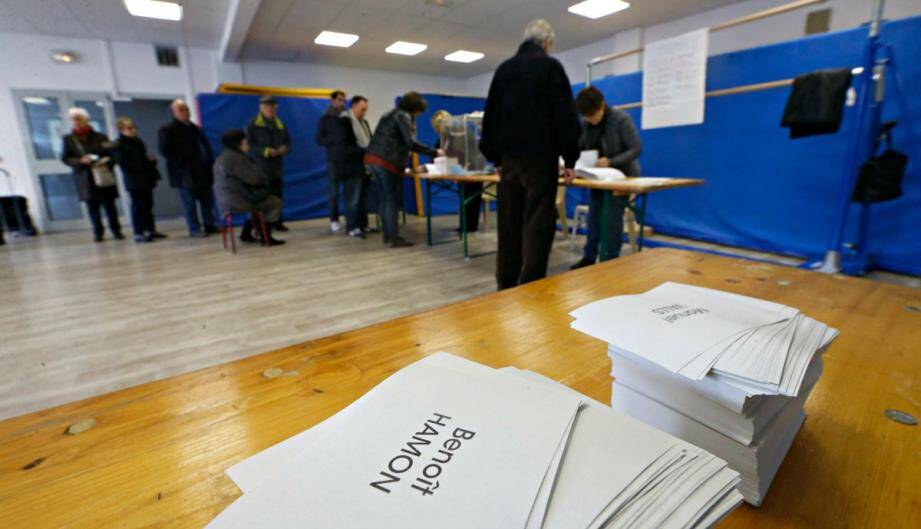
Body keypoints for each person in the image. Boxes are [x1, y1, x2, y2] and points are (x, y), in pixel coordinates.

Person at [480, 19, 581, 290]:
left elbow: (490, 119)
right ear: (548, 43)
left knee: (509, 224)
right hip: (541, 159)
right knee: (537, 224)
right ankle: (532, 286)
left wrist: (495, 158)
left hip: (510, 161)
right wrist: (570, 159)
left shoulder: (504, 70)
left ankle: (506, 283)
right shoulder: (551, 68)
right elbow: (565, 118)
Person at [570, 86, 642, 269]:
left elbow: (635, 148)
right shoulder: (586, 124)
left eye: (594, 114)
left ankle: (610, 260)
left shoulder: (620, 119)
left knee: (611, 219)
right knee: (594, 217)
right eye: (587, 116)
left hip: (621, 177)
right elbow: (580, 147)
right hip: (597, 178)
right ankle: (589, 256)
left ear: (603, 105)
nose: (591, 119)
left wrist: (610, 161)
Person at [365, 92, 442, 248]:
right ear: (415, 109)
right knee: (392, 200)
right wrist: (435, 152)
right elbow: (411, 143)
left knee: (384, 198)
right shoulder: (404, 116)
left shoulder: (389, 114)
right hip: (387, 162)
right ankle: (394, 238)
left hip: (372, 159)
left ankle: (387, 235)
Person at [61, 107, 124, 242]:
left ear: (86, 120)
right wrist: (80, 161)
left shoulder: (101, 137)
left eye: (78, 119)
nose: (75, 122)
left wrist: (106, 162)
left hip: (102, 175)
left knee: (110, 206)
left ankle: (116, 231)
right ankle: (98, 233)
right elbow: (66, 158)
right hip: (85, 177)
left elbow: (112, 156)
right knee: (92, 207)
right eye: (73, 120)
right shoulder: (69, 139)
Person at [213, 129, 284, 246]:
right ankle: (266, 236)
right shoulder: (236, 158)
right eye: (245, 142)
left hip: (225, 200)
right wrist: (263, 176)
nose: (248, 145)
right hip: (237, 200)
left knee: (259, 205)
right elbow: (253, 179)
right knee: (274, 202)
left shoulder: (222, 157)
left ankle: (246, 234)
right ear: (238, 144)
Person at [158, 99, 217, 238]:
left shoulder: (195, 128)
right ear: (173, 113)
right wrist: (183, 163)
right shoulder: (167, 130)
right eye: (181, 109)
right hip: (186, 173)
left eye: (186, 109)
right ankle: (194, 228)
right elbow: (165, 151)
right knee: (189, 202)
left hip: (203, 170)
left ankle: (210, 225)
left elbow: (205, 147)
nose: (185, 112)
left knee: (207, 201)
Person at [114, 117, 166, 243]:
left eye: (134, 127)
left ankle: (150, 230)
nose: (133, 130)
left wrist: (150, 161)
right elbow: (124, 163)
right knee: (138, 206)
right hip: (134, 180)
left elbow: (142, 158)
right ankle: (138, 232)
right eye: (129, 128)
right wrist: (143, 161)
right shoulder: (119, 145)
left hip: (145, 177)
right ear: (121, 130)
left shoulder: (137, 141)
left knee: (148, 205)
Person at [431, 110, 483, 233]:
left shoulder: (460, 133)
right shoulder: (447, 136)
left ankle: (469, 226)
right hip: (461, 169)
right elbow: (439, 149)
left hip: (472, 168)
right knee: (466, 198)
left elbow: (462, 152)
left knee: (471, 198)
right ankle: (466, 226)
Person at [246, 95, 291, 231]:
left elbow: (289, 143)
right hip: (260, 168)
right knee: (261, 197)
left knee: (277, 197)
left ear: (276, 107)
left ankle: (276, 222)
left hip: (277, 167)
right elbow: (248, 146)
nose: (269, 108)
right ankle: (260, 226)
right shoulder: (252, 124)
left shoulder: (280, 124)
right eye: (266, 106)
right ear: (261, 108)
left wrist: (285, 149)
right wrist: (265, 151)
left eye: (272, 106)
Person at [316, 90, 348, 233]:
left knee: (349, 191)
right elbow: (319, 139)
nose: (341, 103)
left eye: (343, 100)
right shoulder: (325, 119)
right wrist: (334, 140)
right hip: (334, 160)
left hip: (348, 159)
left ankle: (351, 219)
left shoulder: (347, 117)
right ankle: (334, 220)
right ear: (333, 101)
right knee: (334, 192)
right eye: (339, 100)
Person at [340, 95, 372, 238]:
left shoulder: (364, 122)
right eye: (362, 109)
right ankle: (352, 227)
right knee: (352, 199)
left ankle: (363, 225)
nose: (364, 113)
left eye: (365, 110)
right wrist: (364, 151)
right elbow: (345, 147)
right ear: (353, 106)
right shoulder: (344, 122)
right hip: (351, 167)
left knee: (363, 199)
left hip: (365, 166)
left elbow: (369, 141)